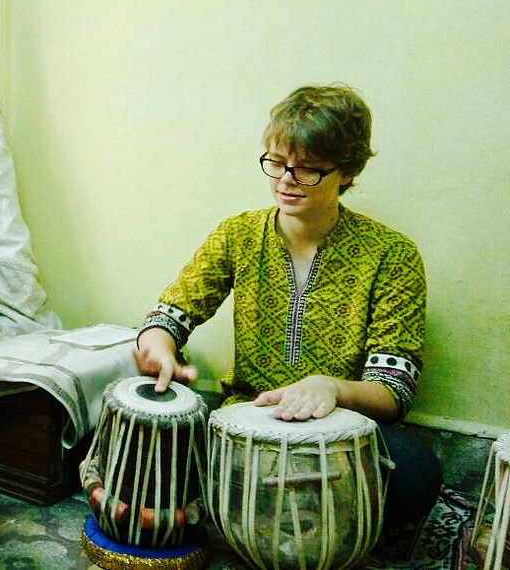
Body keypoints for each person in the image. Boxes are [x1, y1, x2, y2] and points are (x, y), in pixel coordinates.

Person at [133, 84, 441, 536]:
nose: (285, 180)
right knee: (150, 425)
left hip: (340, 439)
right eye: (276, 163)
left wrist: (333, 389)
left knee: (415, 470)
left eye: (309, 169)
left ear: (348, 173)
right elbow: (169, 315)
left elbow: (394, 393)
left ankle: (244, 507)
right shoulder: (238, 234)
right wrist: (157, 348)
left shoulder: (392, 255)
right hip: (243, 422)